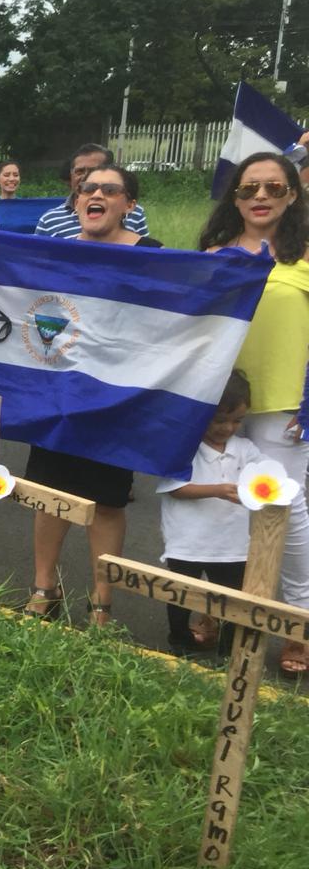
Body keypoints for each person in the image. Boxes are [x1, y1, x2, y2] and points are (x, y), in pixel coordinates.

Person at [24, 164, 163, 625]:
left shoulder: (152, 255)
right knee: (49, 493)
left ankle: (102, 601)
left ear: (129, 204)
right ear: (77, 199)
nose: (95, 194)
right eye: (87, 188)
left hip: (117, 399)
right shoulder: (57, 253)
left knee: (107, 500)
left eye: (109, 189)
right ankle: (45, 588)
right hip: (59, 395)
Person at [199, 150, 309, 674]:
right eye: (249, 189)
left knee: (282, 513)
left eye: (273, 187)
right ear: (236, 198)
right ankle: (229, 610)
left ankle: (297, 621)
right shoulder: (214, 253)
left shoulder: (307, 252)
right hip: (223, 405)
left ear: (292, 194)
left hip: (286, 409)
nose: (260, 196)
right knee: (222, 509)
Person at [156, 371, 260, 655]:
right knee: (181, 595)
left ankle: (228, 650)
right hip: (187, 542)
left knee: (230, 599)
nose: (228, 428)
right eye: (220, 419)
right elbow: (175, 488)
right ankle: (179, 641)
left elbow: (266, 476)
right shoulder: (185, 448)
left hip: (232, 546)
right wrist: (218, 489)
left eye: (237, 420)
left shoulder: (246, 449)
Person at [35, 143, 148, 239]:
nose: (86, 177)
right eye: (80, 171)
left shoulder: (136, 213)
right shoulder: (50, 220)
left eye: (94, 170)